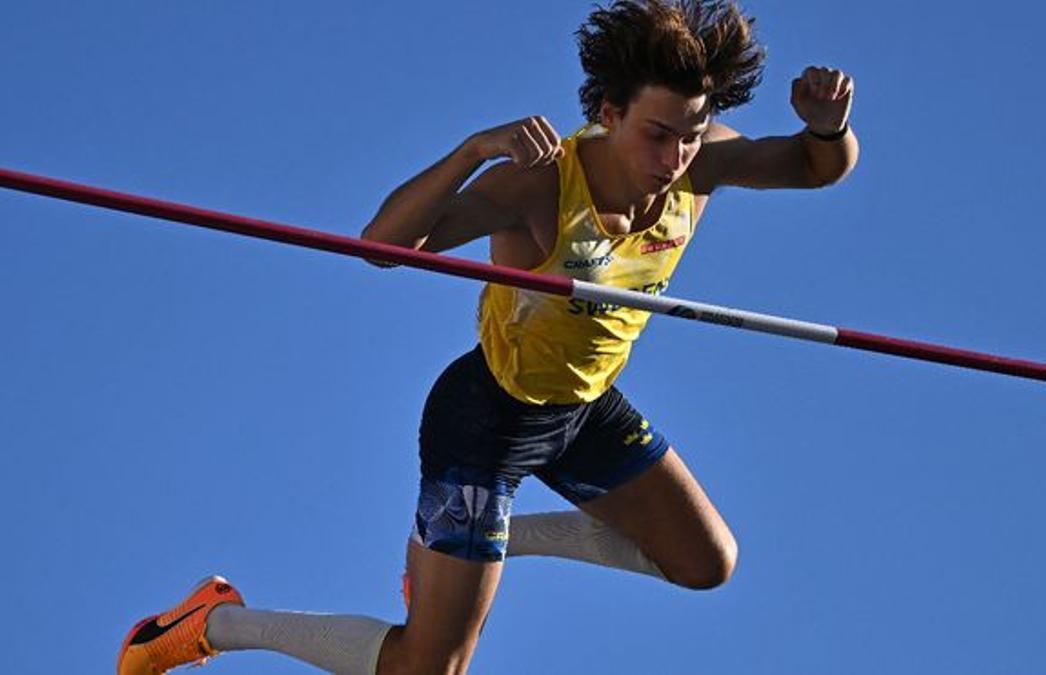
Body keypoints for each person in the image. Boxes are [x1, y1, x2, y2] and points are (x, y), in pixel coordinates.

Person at [116, 1, 858, 673]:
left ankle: (501, 539)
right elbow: (381, 245)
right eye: (657, 135)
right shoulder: (539, 186)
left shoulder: (702, 168)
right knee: (427, 669)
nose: (673, 160)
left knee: (706, 562)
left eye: (690, 138)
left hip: (582, 411)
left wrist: (828, 129)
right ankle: (211, 621)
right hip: (486, 423)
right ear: (608, 111)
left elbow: (813, 165)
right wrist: (473, 150)